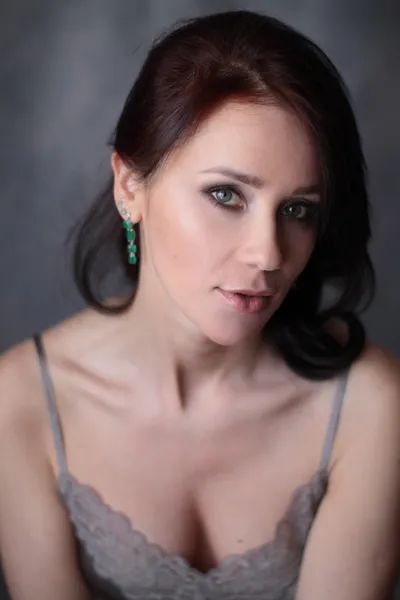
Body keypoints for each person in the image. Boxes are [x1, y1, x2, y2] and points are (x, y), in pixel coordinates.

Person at [0, 8, 399, 600]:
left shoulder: (370, 406)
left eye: (298, 210)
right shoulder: (21, 403)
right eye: (225, 195)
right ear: (129, 186)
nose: (268, 254)